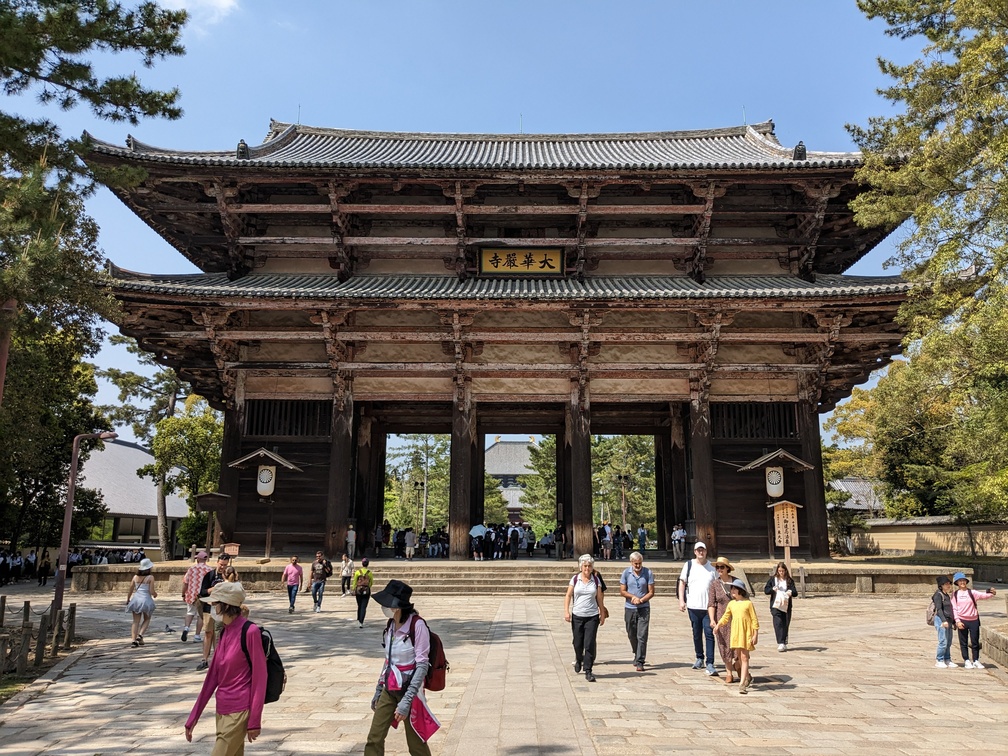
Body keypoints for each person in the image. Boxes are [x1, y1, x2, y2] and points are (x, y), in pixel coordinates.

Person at [184, 581, 266, 754]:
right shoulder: (225, 631)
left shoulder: (250, 632)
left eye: (215, 604)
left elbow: (260, 677)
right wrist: (193, 717)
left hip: (240, 710)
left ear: (226, 605)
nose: (212, 608)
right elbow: (212, 677)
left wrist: (255, 720)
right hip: (222, 709)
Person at [366, 580, 439, 755]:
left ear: (396, 606)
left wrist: (406, 701)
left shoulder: (417, 626)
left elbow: (422, 665)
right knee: (374, 738)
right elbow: (388, 661)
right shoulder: (391, 625)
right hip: (389, 688)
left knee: (416, 744)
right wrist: (378, 688)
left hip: (411, 691)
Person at [564, 554, 607, 682]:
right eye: (585, 566)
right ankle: (578, 658)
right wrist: (566, 611)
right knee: (577, 642)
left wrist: (602, 612)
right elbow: (568, 595)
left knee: (589, 643)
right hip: (577, 615)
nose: (587, 568)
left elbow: (599, 597)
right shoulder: (575, 579)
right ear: (581, 567)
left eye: (589, 566)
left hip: (592, 616)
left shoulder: (596, 579)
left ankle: (588, 670)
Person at [678, 541, 718, 675]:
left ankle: (710, 662)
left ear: (706, 551)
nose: (701, 552)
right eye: (698, 550)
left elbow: (718, 585)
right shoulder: (688, 565)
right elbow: (682, 583)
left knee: (709, 633)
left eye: (703, 550)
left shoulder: (712, 568)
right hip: (693, 606)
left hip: (709, 607)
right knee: (696, 633)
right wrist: (681, 601)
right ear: (695, 552)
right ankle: (699, 657)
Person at [716, 579, 759, 694]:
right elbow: (726, 617)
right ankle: (748, 678)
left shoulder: (748, 603)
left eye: (734, 589)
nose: (732, 591)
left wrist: (755, 634)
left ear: (740, 590)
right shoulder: (731, 604)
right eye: (732, 589)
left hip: (746, 633)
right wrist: (718, 625)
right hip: (736, 633)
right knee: (739, 657)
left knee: (744, 657)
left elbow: (754, 619)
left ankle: (742, 683)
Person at [951, 571, 997, 669]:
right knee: (963, 642)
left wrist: (991, 593)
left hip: (974, 620)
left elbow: (983, 595)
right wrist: (957, 621)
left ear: (966, 582)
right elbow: (954, 609)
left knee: (975, 641)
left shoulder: (972, 592)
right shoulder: (954, 595)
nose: (962, 582)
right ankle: (966, 660)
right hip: (962, 620)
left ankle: (976, 660)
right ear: (957, 583)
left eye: (963, 580)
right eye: (960, 581)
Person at [619, 551, 655, 672]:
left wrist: (642, 599)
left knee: (642, 635)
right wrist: (632, 597)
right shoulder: (626, 573)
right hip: (630, 607)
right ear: (631, 563)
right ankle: (636, 651)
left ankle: (640, 660)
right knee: (631, 633)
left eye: (639, 563)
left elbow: (651, 591)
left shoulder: (648, 573)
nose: (638, 566)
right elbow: (622, 591)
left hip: (643, 608)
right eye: (635, 564)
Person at [197, 554, 231, 671]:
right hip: (209, 607)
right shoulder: (210, 575)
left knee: (219, 634)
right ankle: (204, 659)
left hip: (222, 608)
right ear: (217, 562)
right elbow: (202, 591)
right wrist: (214, 589)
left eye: (225, 565)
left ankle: (218, 659)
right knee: (208, 632)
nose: (222, 567)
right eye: (221, 564)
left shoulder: (228, 576)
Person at [709, 556, 738, 683]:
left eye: (722, 567)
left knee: (738, 644)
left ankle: (739, 667)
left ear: (727, 568)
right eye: (717, 567)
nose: (719, 569)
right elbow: (711, 603)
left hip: (736, 617)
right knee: (724, 644)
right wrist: (712, 619)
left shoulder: (737, 582)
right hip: (721, 617)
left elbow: (745, 599)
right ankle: (729, 672)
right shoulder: (715, 584)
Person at [763, 562, 798, 651]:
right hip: (776, 604)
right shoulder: (773, 579)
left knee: (785, 622)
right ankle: (780, 642)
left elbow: (795, 592)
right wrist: (772, 589)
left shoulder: (789, 580)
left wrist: (790, 592)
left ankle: (784, 641)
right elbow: (766, 590)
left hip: (786, 605)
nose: (781, 573)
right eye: (779, 571)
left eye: (782, 571)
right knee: (778, 623)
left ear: (785, 571)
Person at [181, 551, 213, 643]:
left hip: (191, 594)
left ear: (198, 559)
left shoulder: (191, 569)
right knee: (200, 615)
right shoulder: (209, 570)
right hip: (203, 595)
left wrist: (183, 593)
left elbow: (185, 582)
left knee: (190, 612)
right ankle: (197, 635)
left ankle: (186, 628)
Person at [125, 558, 158, 647]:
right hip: (146, 600)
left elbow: (131, 589)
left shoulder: (135, 577)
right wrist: (155, 594)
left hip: (136, 600)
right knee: (147, 619)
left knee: (135, 621)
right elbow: (151, 591)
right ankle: (140, 634)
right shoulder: (150, 577)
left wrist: (128, 599)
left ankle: (133, 640)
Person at [932, 575, 957, 668]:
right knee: (943, 641)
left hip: (949, 620)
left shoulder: (946, 595)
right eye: (946, 584)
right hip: (941, 620)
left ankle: (947, 659)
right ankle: (939, 659)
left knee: (949, 641)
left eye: (949, 583)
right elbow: (939, 609)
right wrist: (943, 620)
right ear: (941, 585)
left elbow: (950, 609)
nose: (948, 585)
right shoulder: (938, 595)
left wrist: (953, 621)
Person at [353, 557, 374, 628]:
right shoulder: (370, 573)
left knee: (359, 605)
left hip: (358, 590)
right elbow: (371, 582)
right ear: (368, 564)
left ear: (362, 564)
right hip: (366, 590)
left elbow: (354, 581)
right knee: (363, 606)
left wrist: (354, 588)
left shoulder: (357, 572)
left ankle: (358, 618)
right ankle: (361, 621)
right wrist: (368, 587)